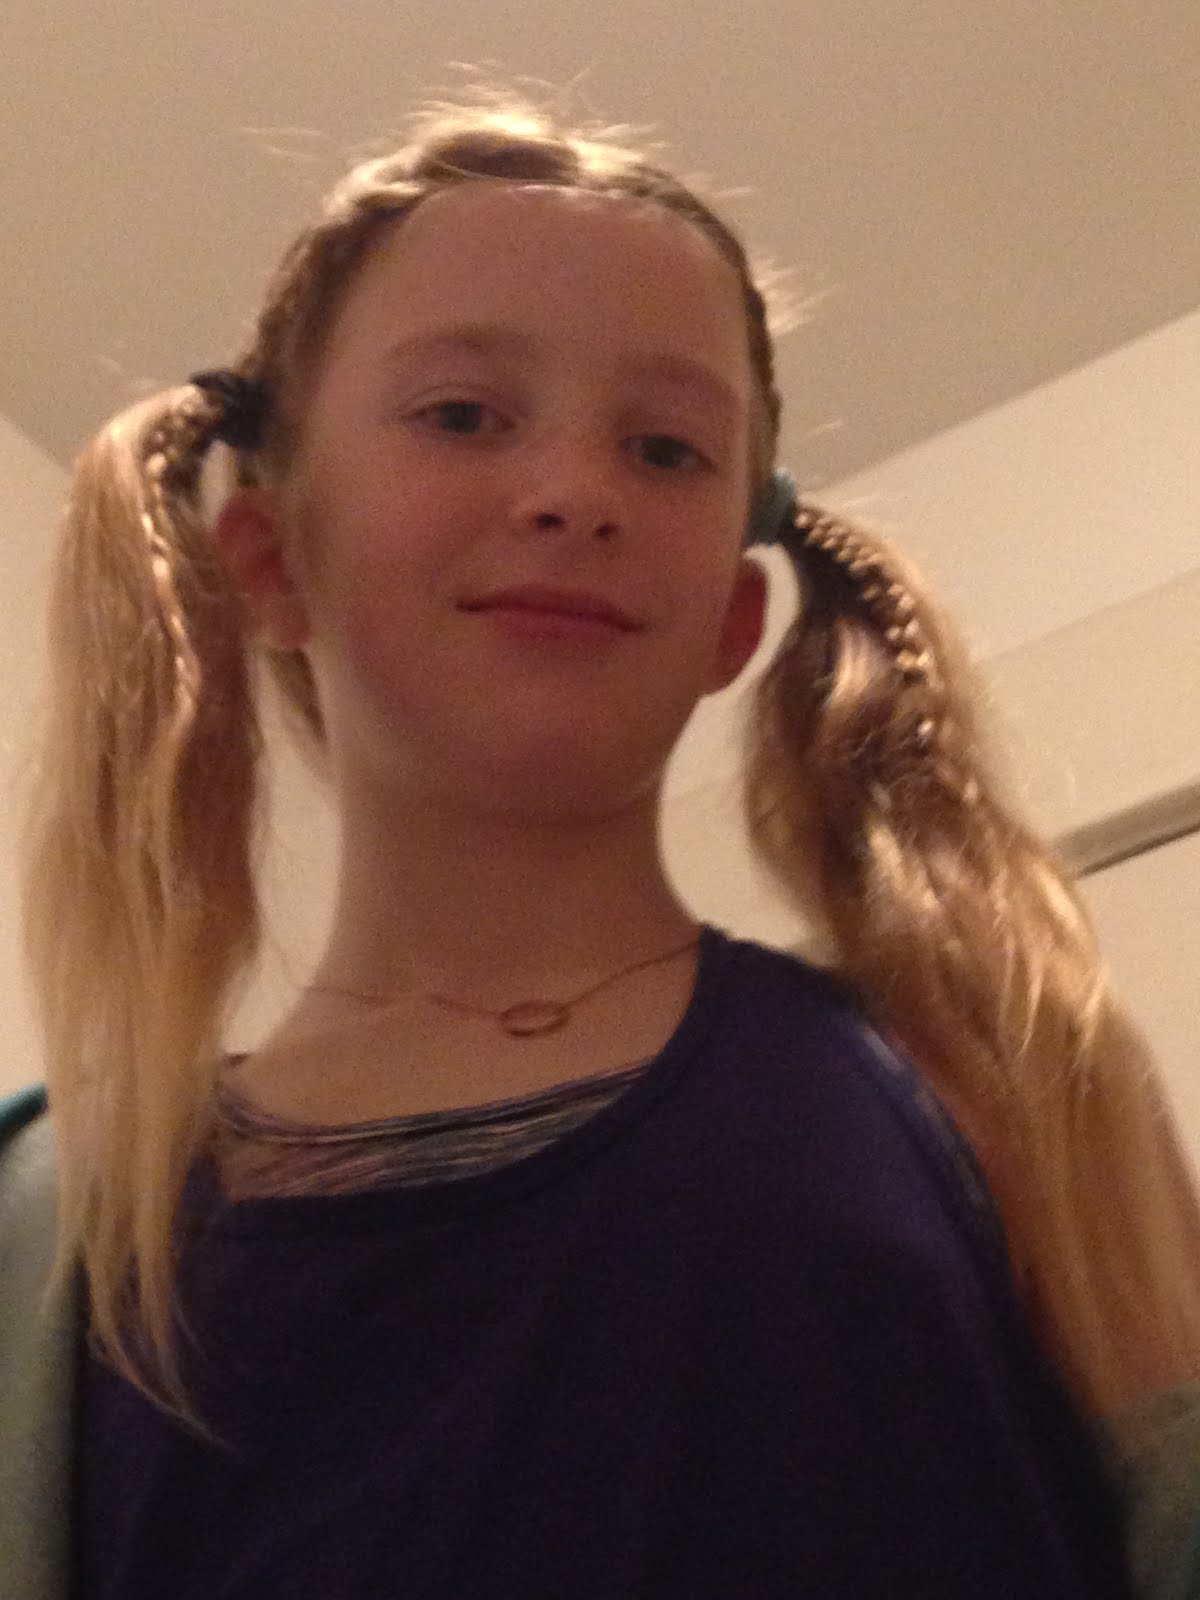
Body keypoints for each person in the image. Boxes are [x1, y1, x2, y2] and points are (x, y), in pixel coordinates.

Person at [2, 94, 1198, 1598]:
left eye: (666, 448)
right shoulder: (49, 1236)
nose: (576, 495)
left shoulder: (992, 1079)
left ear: (734, 622)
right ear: (270, 559)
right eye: (463, 416)